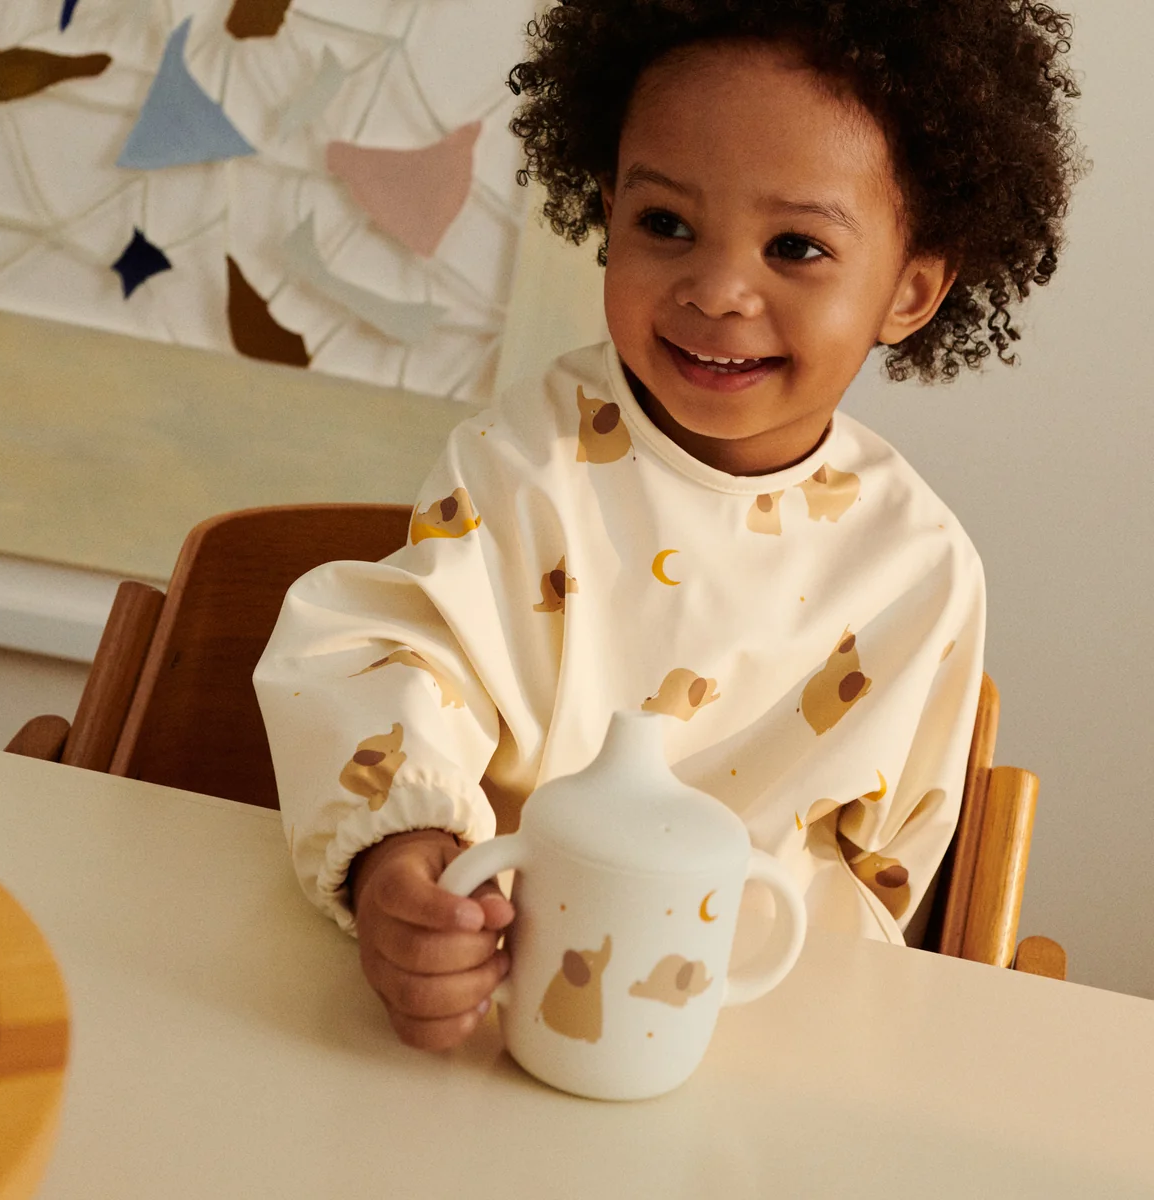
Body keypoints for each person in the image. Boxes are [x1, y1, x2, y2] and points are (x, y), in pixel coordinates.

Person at [254, 0, 1088, 1051]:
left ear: (912, 289)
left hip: (745, 1041)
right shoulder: (526, 461)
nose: (719, 289)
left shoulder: (918, 572)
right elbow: (400, 666)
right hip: (491, 1005)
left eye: (796, 246)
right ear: (610, 212)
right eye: (666, 226)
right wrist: (398, 857)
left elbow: (882, 897)